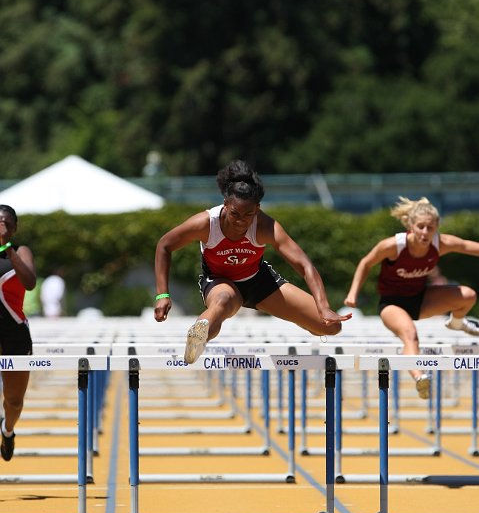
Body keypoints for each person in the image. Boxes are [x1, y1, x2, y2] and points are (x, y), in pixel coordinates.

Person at [154, 159, 351, 363]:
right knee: (223, 301)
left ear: (257, 209)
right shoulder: (205, 223)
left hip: (259, 281)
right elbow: (164, 245)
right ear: (225, 204)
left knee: (331, 326)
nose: (240, 222)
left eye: (248, 215)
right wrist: (163, 294)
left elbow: (304, 265)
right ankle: (197, 337)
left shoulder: (266, 226)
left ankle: (305, 322)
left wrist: (323, 306)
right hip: (220, 282)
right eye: (235, 214)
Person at [344, 196, 479, 399]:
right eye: (421, 227)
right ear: (411, 226)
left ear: (436, 228)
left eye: (430, 228)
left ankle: (457, 323)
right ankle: (420, 378)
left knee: (468, 295)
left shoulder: (441, 244)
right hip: (391, 303)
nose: (425, 233)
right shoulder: (393, 246)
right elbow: (366, 263)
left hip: (420, 299)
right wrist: (353, 293)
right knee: (410, 334)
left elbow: (470, 247)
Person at [0, 204, 37, 460]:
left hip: (15, 333)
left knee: (13, 401)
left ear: (14, 228)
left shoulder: (20, 251)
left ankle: (8, 430)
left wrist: (7, 248)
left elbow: (30, 282)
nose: (2, 227)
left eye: (7, 224)